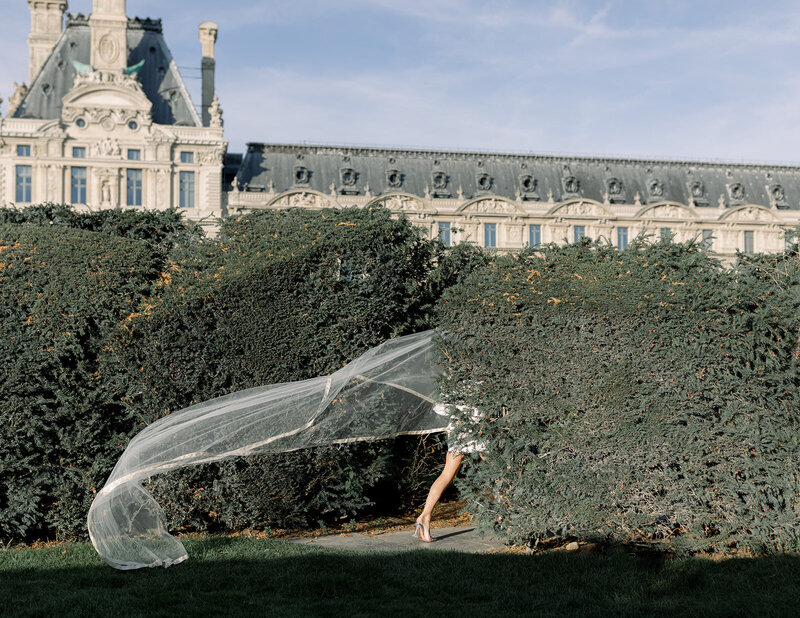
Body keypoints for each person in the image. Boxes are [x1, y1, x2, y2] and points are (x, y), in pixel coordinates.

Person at [414, 400, 485, 542]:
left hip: (459, 424)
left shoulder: (453, 379)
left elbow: (441, 406)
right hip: (476, 424)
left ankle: (425, 516)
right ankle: (506, 520)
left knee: (447, 473)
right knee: (498, 470)